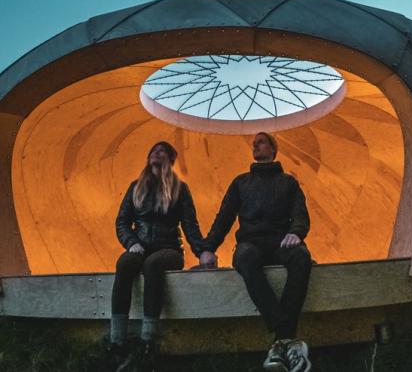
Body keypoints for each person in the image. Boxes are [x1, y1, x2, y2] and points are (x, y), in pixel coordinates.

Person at [199, 132, 313, 372]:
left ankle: (280, 342)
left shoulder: (288, 182)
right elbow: (225, 218)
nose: (255, 146)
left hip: (281, 241)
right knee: (245, 257)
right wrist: (208, 248)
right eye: (254, 144)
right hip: (251, 242)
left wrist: (297, 233)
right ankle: (286, 335)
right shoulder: (241, 182)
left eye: (261, 142)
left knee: (302, 256)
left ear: (273, 148)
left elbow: (300, 213)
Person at [106, 141, 205, 372]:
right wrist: (131, 243)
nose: (156, 153)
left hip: (169, 249)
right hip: (140, 247)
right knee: (124, 263)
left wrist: (202, 252)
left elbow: (190, 225)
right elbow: (122, 222)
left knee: (153, 264)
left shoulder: (180, 189)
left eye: (162, 151)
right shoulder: (135, 187)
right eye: (153, 150)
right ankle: (116, 342)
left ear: (170, 160)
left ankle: (148, 341)